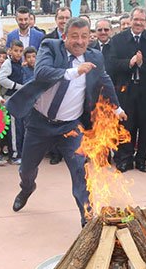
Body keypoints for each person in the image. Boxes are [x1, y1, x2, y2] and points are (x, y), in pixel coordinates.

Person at [7, 17, 123, 221]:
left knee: (81, 171)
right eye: (75, 36)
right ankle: (27, 188)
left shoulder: (94, 57)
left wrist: (116, 108)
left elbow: (105, 80)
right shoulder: (50, 46)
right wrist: (74, 72)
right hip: (40, 123)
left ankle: (87, 218)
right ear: (64, 36)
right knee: (26, 169)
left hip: (70, 127)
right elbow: (42, 73)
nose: (80, 41)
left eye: (85, 37)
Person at [110, 7, 146, 173]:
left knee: (145, 127)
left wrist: (141, 63)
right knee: (126, 126)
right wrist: (129, 63)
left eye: (142, 20)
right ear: (130, 20)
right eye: (135, 20)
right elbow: (112, 64)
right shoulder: (118, 40)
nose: (138, 23)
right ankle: (125, 159)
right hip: (126, 90)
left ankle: (141, 160)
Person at [0, 41, 27, 163]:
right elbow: (2, 79)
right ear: (10, 51)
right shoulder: (7, 63)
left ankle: (21, 152)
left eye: (21, 51)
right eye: (15, 50)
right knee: (14, 127)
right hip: (11, 97)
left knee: (21, 126)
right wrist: (17, 86)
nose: (18, 53)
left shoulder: (21, 63)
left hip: (20, 98)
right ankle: (14, 154)